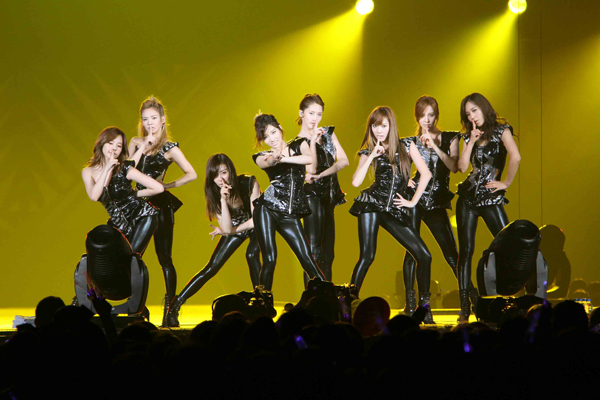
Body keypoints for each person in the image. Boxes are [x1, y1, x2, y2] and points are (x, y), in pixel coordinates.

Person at [349, 106, 434, 323]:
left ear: (391, 126)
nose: (379, 130)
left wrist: (412, 202)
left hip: (394, 208)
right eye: (375, 126)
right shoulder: (368, 150)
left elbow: (426, 174)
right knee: (367, 255)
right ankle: (349, 302)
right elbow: (356, 182)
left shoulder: (407, 145)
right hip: (371, 204)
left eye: (383, 126)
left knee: (424, 255)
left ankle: (424, 308)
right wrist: (372, 155)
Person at [401, 95, 477, 315]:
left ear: (437, 115)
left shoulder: (450, 138)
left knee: (451, 253)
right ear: (416, 116)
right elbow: (399, 169)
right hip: (415, 200)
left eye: (431, 115)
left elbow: (454, 167)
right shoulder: (409, 142)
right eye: (423, 115)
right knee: (411, 252)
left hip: (437, 201)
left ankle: (472, 298)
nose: (427, 120)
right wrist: (406, 181)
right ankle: (411, 304)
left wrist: (433, 145)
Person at [165, 154, 261, 327]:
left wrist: (229, 230)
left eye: (223, 172)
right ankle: (175, 306)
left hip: (260, 226)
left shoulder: (249, 183)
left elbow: (256, 220)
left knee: (252, 255)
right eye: (215, 175)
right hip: (237, 228)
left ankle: (260, 303)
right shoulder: (215, 194)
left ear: (231, 170)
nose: (220, 179)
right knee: (211, 267)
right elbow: (226, 228)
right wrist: (223, 200)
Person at [128, 96, 197, 327]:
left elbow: (192, 173)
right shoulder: (136, 142)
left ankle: (170, 309)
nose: (149, 123)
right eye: (145, 119)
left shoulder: (170, 148)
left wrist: (167, 185)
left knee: (164, 258)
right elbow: (127, 170)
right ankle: (136, 306)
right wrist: (143, 146)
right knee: (132, 256)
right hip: (137, 204)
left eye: (153, 118)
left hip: (160, 205)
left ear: (163, 120)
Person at [456, 93, 521, 320]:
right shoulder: (469, 136)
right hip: (467, 198)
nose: (472, 116)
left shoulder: (502, 130)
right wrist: (471, 142)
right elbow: (461, 167)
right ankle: (465, 307)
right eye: (468, 114)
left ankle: (510, 299)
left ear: (484, 108)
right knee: (465, 252)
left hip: (491, 196)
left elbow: (516, 157)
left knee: (509, 246)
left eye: (474, 110)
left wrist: (506, 183)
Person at [252, 113, 325, 293]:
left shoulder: (299, 144)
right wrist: (274, 158)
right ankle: (263, 302)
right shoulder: (261, 156)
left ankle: (331, 297)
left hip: (289, 214)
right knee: (270, 259)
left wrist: (283, 158)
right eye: (266, 137)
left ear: (280, 129)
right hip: (267, 209)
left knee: (307, 259)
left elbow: (309, 159)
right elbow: (266, 162)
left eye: (273, 132)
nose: (271, 139)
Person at [82, 126, 163, 255]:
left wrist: (133, 195)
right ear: (101, 143)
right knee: (110, 260)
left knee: (130, 259)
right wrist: (107, 168)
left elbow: (158, 188)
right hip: (117, 223)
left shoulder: (124, 169)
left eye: (119, 146)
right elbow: (95, 196)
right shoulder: (88, 172)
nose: (114, 148)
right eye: (110, 143)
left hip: (141, 216)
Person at [295, 93, 349, 283]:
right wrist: (312, 141)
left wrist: (323, 174)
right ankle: (312, 296)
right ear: (301, 113)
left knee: (328, 254)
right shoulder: (297, 143)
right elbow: (310, 169)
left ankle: (327, 295)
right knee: (314, 252)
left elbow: (344, 160)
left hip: (329, 195)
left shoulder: (328, 133)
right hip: (311, 196)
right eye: (311, 113)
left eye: (319, 114)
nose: (315, 118)